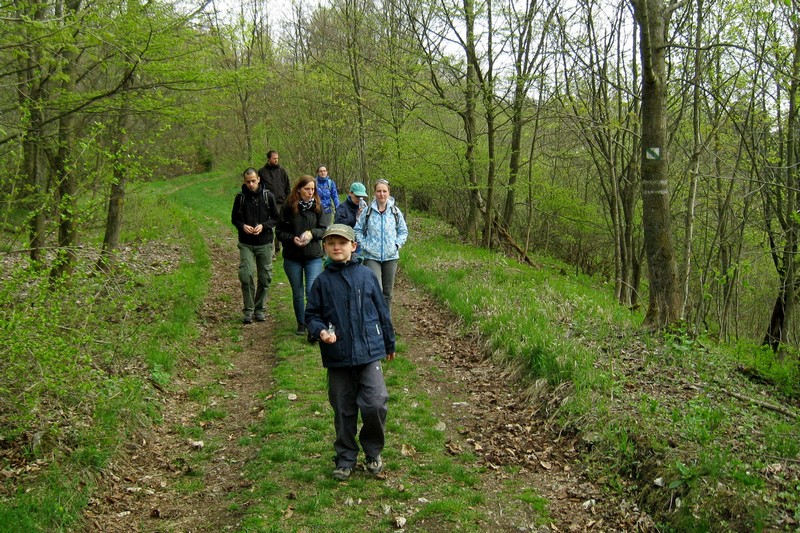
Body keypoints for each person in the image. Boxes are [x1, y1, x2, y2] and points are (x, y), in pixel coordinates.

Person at [305, 223, 396, 482]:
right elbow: (311, 315)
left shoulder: (367, 276)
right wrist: (320, 331)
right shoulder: (322, 281)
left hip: (369, 353)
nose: (337, 246)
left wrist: (389, 342)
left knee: (375, 402)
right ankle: (345, 457)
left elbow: (382, 310)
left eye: (342, 242)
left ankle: (373, 451)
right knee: (343, 408)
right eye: (331, 242)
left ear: (353, 246)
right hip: (338, 356)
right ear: (324, 247)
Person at [276, 175, 327, 338]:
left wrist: (312, 234)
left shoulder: (318, 207)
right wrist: (292, 239)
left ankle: (313, 326)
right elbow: (279, 232)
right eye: (307, 189)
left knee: (311, 290)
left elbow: (325, 229)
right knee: (297, 292)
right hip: (292, 256)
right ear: (299, 189)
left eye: (313, 189)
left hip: (313, 256)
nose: (310, 192)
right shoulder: (288, 206)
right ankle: (301, 322)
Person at [231, 168, 280, 324]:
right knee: (246, 275)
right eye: (248, 181)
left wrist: (264, 226)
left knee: (265, 277)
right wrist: (242, 226)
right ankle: (248, 309)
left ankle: (260, 309)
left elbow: (276, 218)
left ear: (258, 179)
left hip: (264, 242)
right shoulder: (240, 198)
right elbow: (234, 218)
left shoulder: (268, 196)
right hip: (246, 243)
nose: (251, 184)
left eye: (253, 180)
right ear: (244, 181)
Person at [354, 179, 408, 316]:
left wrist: (397, 245)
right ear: (374, 193)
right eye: (379, 191)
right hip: (372, 256)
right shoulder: (367, 212)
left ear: (389, 193)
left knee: (388, 292)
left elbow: (403, 231)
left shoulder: (395, 212)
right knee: (375, 289)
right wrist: (365, 245)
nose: (382, 194)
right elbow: (357, 230)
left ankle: (386, 322)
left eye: (384, 191)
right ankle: (375, 321)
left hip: (391, 257)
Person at [257, 150, 291, 253]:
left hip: (281, 202)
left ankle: (277, 248)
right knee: (270, 227)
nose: (276, 160)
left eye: (277, 158)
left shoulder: (282, 171)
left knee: (281, 226)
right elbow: (259, 188)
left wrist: (289, 200)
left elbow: (287, 187)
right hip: (267, 203)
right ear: (268, 159)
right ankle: (271, 252)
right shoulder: (262, 172)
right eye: (274, 158)